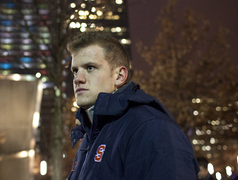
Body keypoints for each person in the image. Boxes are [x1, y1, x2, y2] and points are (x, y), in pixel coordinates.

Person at [67, 32, 199, 180]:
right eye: (75, 70)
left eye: (90, 68)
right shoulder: (91, 135)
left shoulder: (151, 127)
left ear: (120, 76)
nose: (78, 78)